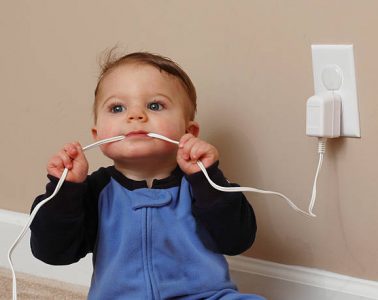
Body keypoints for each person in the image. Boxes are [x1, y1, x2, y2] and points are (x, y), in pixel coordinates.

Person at [30, 51, 265, 300]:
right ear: (98, 135)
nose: (135, 116)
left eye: (155, 105)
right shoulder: (94, 192)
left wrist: (207, 178)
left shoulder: (201, 183)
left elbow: (238, 240)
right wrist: (66, 190)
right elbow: (52, 252)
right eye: (117, 107)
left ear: (189, 131)